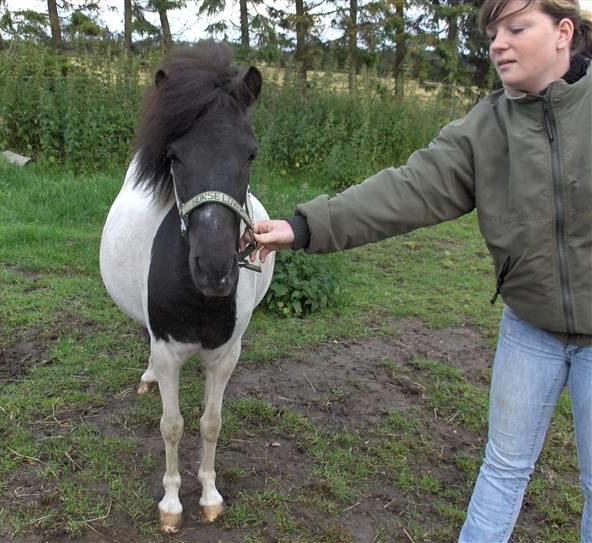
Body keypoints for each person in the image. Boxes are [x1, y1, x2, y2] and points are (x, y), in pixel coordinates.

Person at [247, 0, 592, 540]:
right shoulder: (487, 128)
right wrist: (303, 226)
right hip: (531, 327)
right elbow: (406, 191)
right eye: (493, 31)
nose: (498, 43)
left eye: (516, 28)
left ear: (563, 32)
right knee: (501, 471)